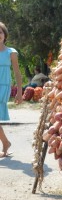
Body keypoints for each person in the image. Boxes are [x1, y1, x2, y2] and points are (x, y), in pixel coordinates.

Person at [0, 22, 23, 158]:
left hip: (3, 88)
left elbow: (18, 74)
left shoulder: (11, 53)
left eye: (0, 32)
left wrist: (19, 93)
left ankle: (6, 143)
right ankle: (6, 142)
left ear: (5, 35)